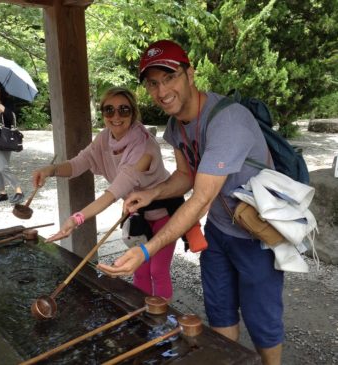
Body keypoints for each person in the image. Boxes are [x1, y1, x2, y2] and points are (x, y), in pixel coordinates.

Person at [97, 40, 284, 365]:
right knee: (220, 317)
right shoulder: (176, 126)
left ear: (190, 74)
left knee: (262, 324)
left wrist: (146, 249)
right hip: (219, 232)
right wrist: (152, 194)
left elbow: (200, 197)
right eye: (153, 83)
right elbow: (185, 175)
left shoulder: (228, 122)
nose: (162, 90)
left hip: (257, 236)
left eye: (169, 77)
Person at [32, 86, 179, 301]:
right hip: (136, 214)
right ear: (102, 114)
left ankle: (161, 322)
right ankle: (140, 316)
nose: (116, 116)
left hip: (164, 212)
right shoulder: (104, 138)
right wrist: (50, 170)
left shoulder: (143, 147)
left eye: (124, 110)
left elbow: (112, 193)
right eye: (109, 110)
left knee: (157, 270)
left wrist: (76, 218)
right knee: (137, 268)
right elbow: (77, 164)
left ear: (134, 112)